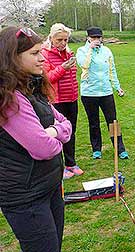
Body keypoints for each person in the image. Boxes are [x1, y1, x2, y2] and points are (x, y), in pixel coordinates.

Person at [0, 26, 72, 252]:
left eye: (41, 51)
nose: (42, 58)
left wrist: (53, 130)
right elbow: (44, 148)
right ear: (12, 58)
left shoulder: (32, 87)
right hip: (26, 195)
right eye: (34, 53)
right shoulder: (10, 98)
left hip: (48, 185)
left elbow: (66, 124)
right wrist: (54, 132)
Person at [76, 26, 128, 159]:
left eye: (98, 37)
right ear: (88, 38)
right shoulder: (82, 51)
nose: (97, 40)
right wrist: (90, 50)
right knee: (94, 122)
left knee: (113, 121)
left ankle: (120, 148)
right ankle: (96, 149)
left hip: (106, 92)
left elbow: (112, 70)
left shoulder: (107, 51)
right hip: (89, 93)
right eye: (93, 37)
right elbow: (84, 65)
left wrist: (117, 87)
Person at [42, 23, 83, 179]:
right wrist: (63, 68)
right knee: (57, 133)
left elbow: (72, 76)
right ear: (51, 38)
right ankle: (59, 166)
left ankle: (71, 163)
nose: (63, 43)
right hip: (56, 100)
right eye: (59, 40)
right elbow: (48, 78)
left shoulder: (69, 52)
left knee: (71, 131)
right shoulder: (45, 54)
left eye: (66, 40)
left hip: (71, 98)